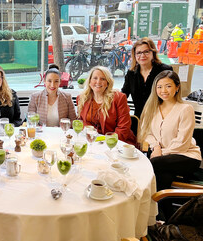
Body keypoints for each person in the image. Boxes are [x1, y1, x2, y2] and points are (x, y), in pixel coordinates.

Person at [138, 70, 201, 220]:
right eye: (159, 87)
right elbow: (146, 132)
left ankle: (144, 208)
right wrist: (157, 147)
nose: (163, 91)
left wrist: (161, 153)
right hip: (161, 158)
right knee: (162, 177)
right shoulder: (152, 107)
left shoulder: (185, 109)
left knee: (151, 164)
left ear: (177, 87)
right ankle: (164, 219)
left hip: (186, 157)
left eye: (168, 86)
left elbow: (182, 143)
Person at [77, 66, 136, 145]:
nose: (98, 82)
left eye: (103, 79)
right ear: (90, 81)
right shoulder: (82, 98)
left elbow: (123, 128)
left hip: (117, 142)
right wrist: (91, 135)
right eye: (95, 78)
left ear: (107, 83)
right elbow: (82, 121)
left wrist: (105, 141)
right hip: (93, 142)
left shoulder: (119, 98)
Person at [121, 37, 173, 118]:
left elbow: (172, 96)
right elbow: (123, 95)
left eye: (146, 52)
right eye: (138, 53)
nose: (142, 55)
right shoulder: (131, 73)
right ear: (134, 55)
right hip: (139, 118)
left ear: (153, 53)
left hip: (162, 118)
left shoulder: (165, 71)